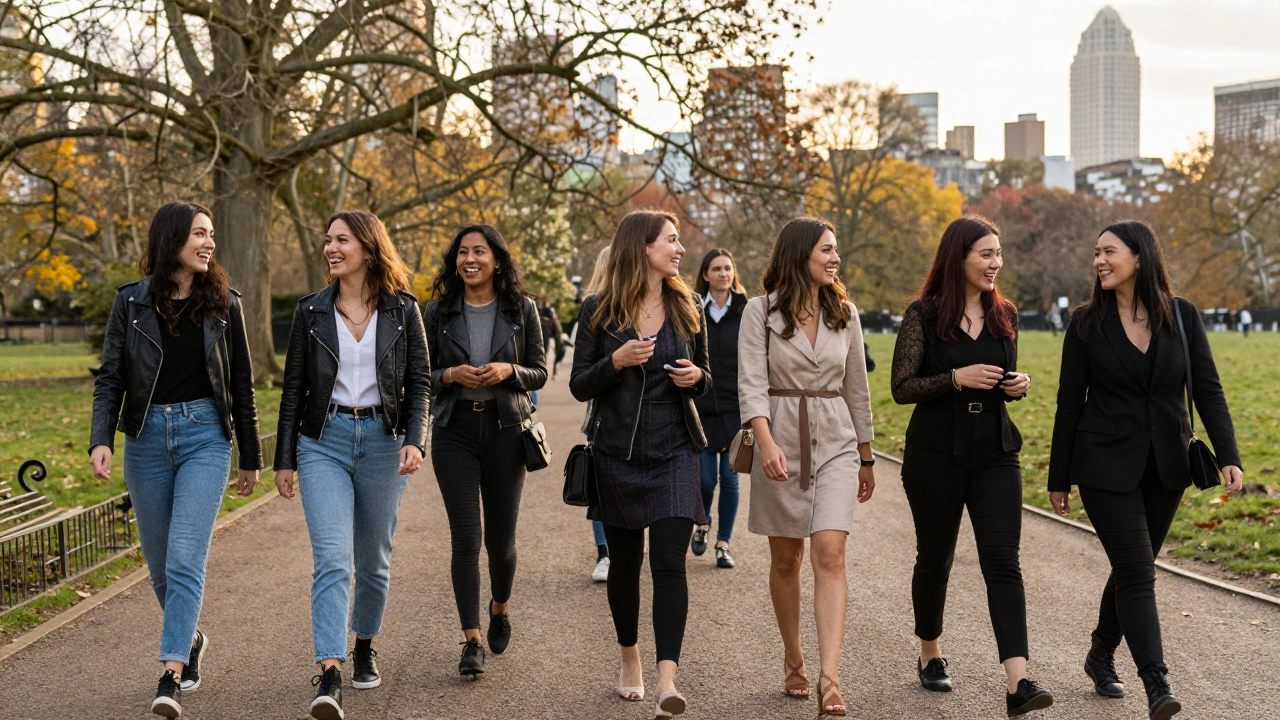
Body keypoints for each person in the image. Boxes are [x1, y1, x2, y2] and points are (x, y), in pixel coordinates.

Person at [1048, 221, 1243, 720]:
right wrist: (1058, 476)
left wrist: (1229, 454)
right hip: (1103, 465)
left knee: (1133, 567)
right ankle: (1157, 683)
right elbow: (1069, 404)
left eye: (1109, 251)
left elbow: (1208, 390)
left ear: (1140, 257)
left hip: (1167, 465)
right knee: (1137, 571)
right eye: (1096, 253)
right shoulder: (1087, 324)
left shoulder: (1182, 316)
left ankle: (1099, 654)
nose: (1099, 261)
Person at [90, 202, 262, 719]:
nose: (209, 243)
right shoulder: (131, 303)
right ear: (172, 240)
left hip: (204, 437)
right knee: (161, 564)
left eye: (211, 234)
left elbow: (243, 387)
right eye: (199, 234)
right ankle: (191, 638)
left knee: (186, 556)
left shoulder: (225, 304)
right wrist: (102, 437)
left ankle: (169, 672)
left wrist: (250, 455)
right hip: (145, 438)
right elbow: (110, 377)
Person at [890, 216, 1053, 716]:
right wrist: (955, 377)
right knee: (935, 557)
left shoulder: (1007, 313)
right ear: (958, 257)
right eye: (985, 253)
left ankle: (1018, 682)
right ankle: (930, 653)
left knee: (1003, 562)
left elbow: (1006, 376)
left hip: (995, 453)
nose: (995, 263)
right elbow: (901, 387)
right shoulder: (923, 314)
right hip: (935, 455)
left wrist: (1015, 385)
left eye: (998, 254)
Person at [274, 210, 430, 720]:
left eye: (341, 240)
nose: (330, 248)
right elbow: (293, 387)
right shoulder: (311, 312)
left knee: (374, 560)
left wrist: (415, 440)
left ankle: (364, 641)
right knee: (333, 559)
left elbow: (420, 384)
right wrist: (284, 460)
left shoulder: (404, 310)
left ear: (367, 246)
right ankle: (330, 670)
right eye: (327, 240)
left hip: (384, 443)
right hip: (323, 441)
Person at [570, 210, 711, 718]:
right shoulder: (598, 310)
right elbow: (578, 384)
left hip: (675, 448)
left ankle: (666, 679)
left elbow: (708, 380)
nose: (679, 250)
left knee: (670, 564)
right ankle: (629, 657)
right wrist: (615, 362)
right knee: (626, 567)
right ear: (642, 247)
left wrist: (695, 376)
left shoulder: (689, 305)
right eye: (671, 241)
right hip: (618, 453)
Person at [737, 217, 876, 717]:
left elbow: (857, 387)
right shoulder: (761, 312)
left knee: (830, 551)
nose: (835, 258)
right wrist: (767, 440)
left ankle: (830, 680)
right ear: (800, 255)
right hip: (782, 434)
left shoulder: (846, 312)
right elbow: (751, 383)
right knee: (786, 560)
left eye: (836, 250)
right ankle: (794, 659)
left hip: (836, 437)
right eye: (826, 250)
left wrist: (865, 454)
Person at [423, 224, 547, 677]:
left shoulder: (522, 309)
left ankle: (499, 607)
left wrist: (509, 370)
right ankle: (471, 639)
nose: (469, 259)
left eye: (479, 251)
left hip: (506, 432)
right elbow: (420, 374)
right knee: (466, 538)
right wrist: (451, 376)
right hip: (454, 429)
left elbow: (540, 371)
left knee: (501, 542)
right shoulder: (436, 312)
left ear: (496, 259)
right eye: (461, 252)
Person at [691, 248, 747, 569]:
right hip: (700, 409)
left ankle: (723, 543)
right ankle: (702, 522)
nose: (724, 274)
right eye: (717, 268)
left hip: (736, 410)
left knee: (730, 478)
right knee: (705, 479)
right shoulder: (694, 307)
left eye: (728, 268)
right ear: (706, 274)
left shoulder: (746, 310)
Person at [580, 244, 613, 583]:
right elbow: (582, 373)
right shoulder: (593, 308)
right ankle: (603, 552)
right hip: (603, 410)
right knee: (599, 481)